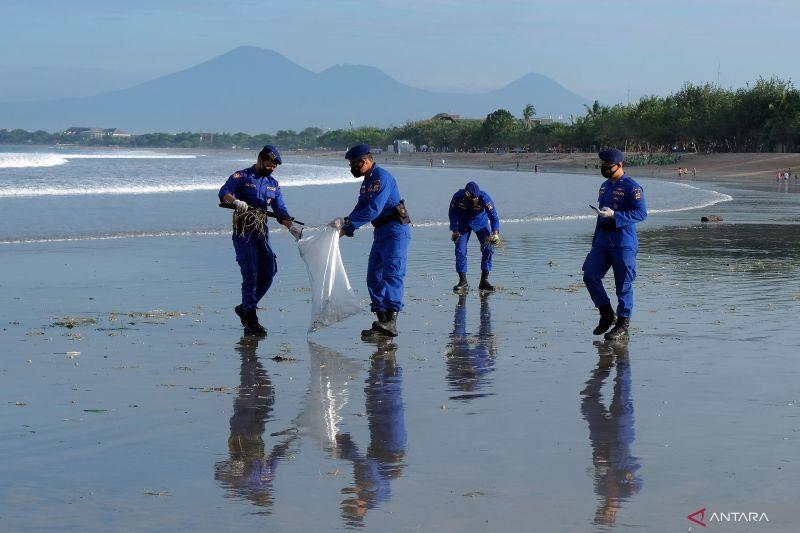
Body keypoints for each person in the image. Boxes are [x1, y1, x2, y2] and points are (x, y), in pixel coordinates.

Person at [218, 145, 299, 335]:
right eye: (269, 164)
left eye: (274, 167)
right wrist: (235, 201)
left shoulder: (274, 184)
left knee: (269, 271)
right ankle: (251, 318)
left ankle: (245, 307)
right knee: (251, 271)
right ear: (260, 160)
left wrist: (291, 227)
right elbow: (224, 192)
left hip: (262, 230)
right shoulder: (242, 176)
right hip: (243, 230)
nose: (271, 168)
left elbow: (281, 211)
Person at [332, 144, 411, 338]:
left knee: (393, 274)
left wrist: (348, 228)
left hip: (396, 232)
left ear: (365, 161)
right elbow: (360, 207)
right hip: (381, 233)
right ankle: (382, 320)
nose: (352, 168)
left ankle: (391, 321)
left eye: (354, 164)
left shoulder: (382, 178)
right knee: (373, 276)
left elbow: (373, 209)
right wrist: (344, 222)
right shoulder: (367, 182)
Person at [583, 148, 647, 340]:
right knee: (590, 276)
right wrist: (594, 241)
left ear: (620, 165)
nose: (605, 168)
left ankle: (622, 323)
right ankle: (605, 312)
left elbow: (641, 213)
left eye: (608, 166)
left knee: (623, 285)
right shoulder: (603, 186)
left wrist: (616, 216)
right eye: (603, 165)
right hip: (602, 242)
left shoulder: (632, 187)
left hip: (623, 243)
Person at [448, 181, 500, 292]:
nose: (475, 201)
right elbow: (452, 213)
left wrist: (495, 234)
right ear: (466, 196)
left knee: (489, 248)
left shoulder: (485, 198)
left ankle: (484, 281)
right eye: (472, 199)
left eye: (476, 199)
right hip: (463, 223)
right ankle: (463, 281)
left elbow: (494, 218)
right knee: (460, 250)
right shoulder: (458, 197)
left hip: (481, 223)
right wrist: (454, 230)